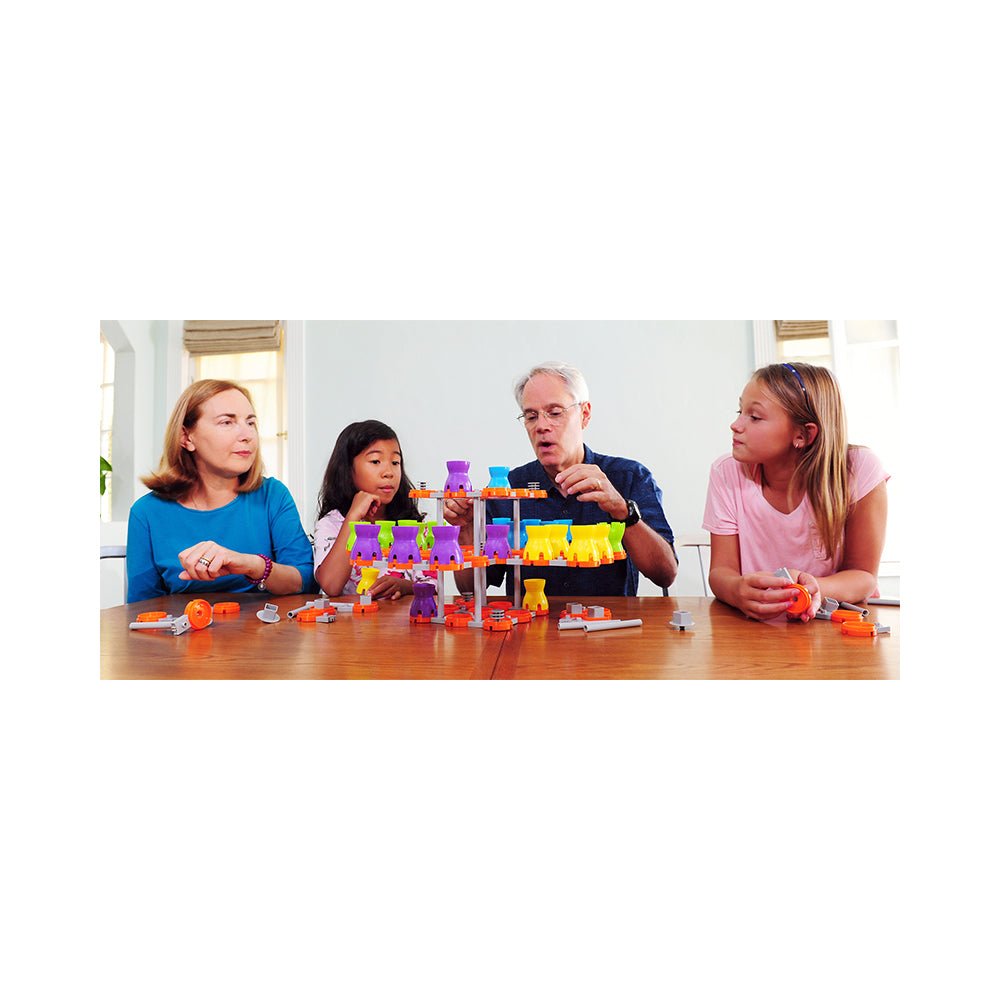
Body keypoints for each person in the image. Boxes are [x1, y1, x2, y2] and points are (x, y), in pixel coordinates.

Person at [444, 362, 677, 597]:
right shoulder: (509, 488)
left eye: (555, 413)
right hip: (531, 619)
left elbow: (665, 574)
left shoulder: (629, 477)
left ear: (584, 414)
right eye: (531, 416)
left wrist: (623, 511)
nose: (541, 426)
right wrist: (465, 530)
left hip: (608, 619)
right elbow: (470, 589)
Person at [702, 362, 888, 621]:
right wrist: (736, 590)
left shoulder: (859, 469)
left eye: (754, 417)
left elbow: (864, 577)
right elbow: (721, 572)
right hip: (756, 629)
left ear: (803, 435)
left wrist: (813, 587)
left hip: (836, 624)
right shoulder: (726, 472)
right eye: (740, 411)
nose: (735, 425)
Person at [127, 379, 315, 602]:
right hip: (184, 625)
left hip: (265, 624)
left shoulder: (273, 495)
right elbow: (142, 606)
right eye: (227, 422)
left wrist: (253, 565)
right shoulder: (146, 512)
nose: (247, 435)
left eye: (250, 422)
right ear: (186, 437)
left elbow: (306, 581)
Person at [313, 420, 435, 600]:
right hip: (351, 619)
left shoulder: (414, 526)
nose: (389, 472)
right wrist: (353, 517)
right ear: (347, 469)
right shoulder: (332, 524)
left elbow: (434, 586)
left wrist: (405, 586)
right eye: (376, 461)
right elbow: (331, 585)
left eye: (395, 462)